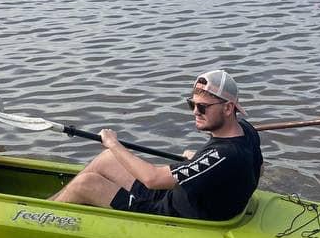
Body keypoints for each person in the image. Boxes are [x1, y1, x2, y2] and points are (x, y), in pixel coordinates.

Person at [49, 69, 262, 221]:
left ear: (228, 108)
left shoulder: (223, 155)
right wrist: (199, 162)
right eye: (192, 104)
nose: (195, 112)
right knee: (107, 160)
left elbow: (152, 180)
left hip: (171, 214)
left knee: (86, 183)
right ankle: (50, 204)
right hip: (181, 196)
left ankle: (38, 217)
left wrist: (113, 143)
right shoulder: (246, 129)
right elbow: (258, 169)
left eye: (203, 107)